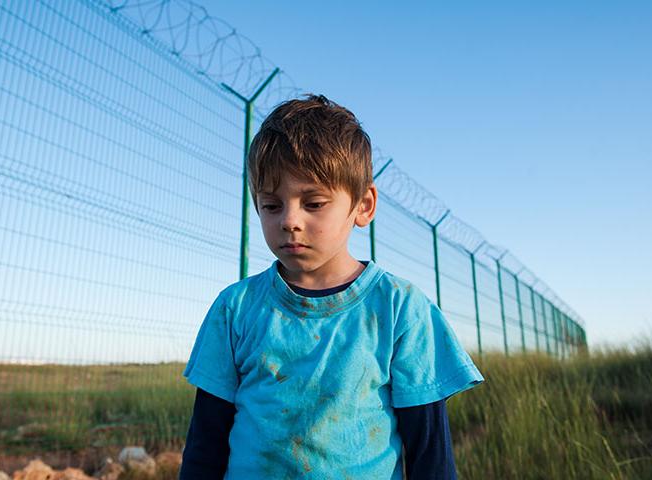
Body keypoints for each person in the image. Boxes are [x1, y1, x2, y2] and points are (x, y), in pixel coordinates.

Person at [180, 94, 484, 479]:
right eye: (272, 205)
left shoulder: (399, 309)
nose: (289, 220)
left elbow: (430, 455)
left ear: (364, 206)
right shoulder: (235, 308)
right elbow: (206, 443)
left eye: (314, 203)